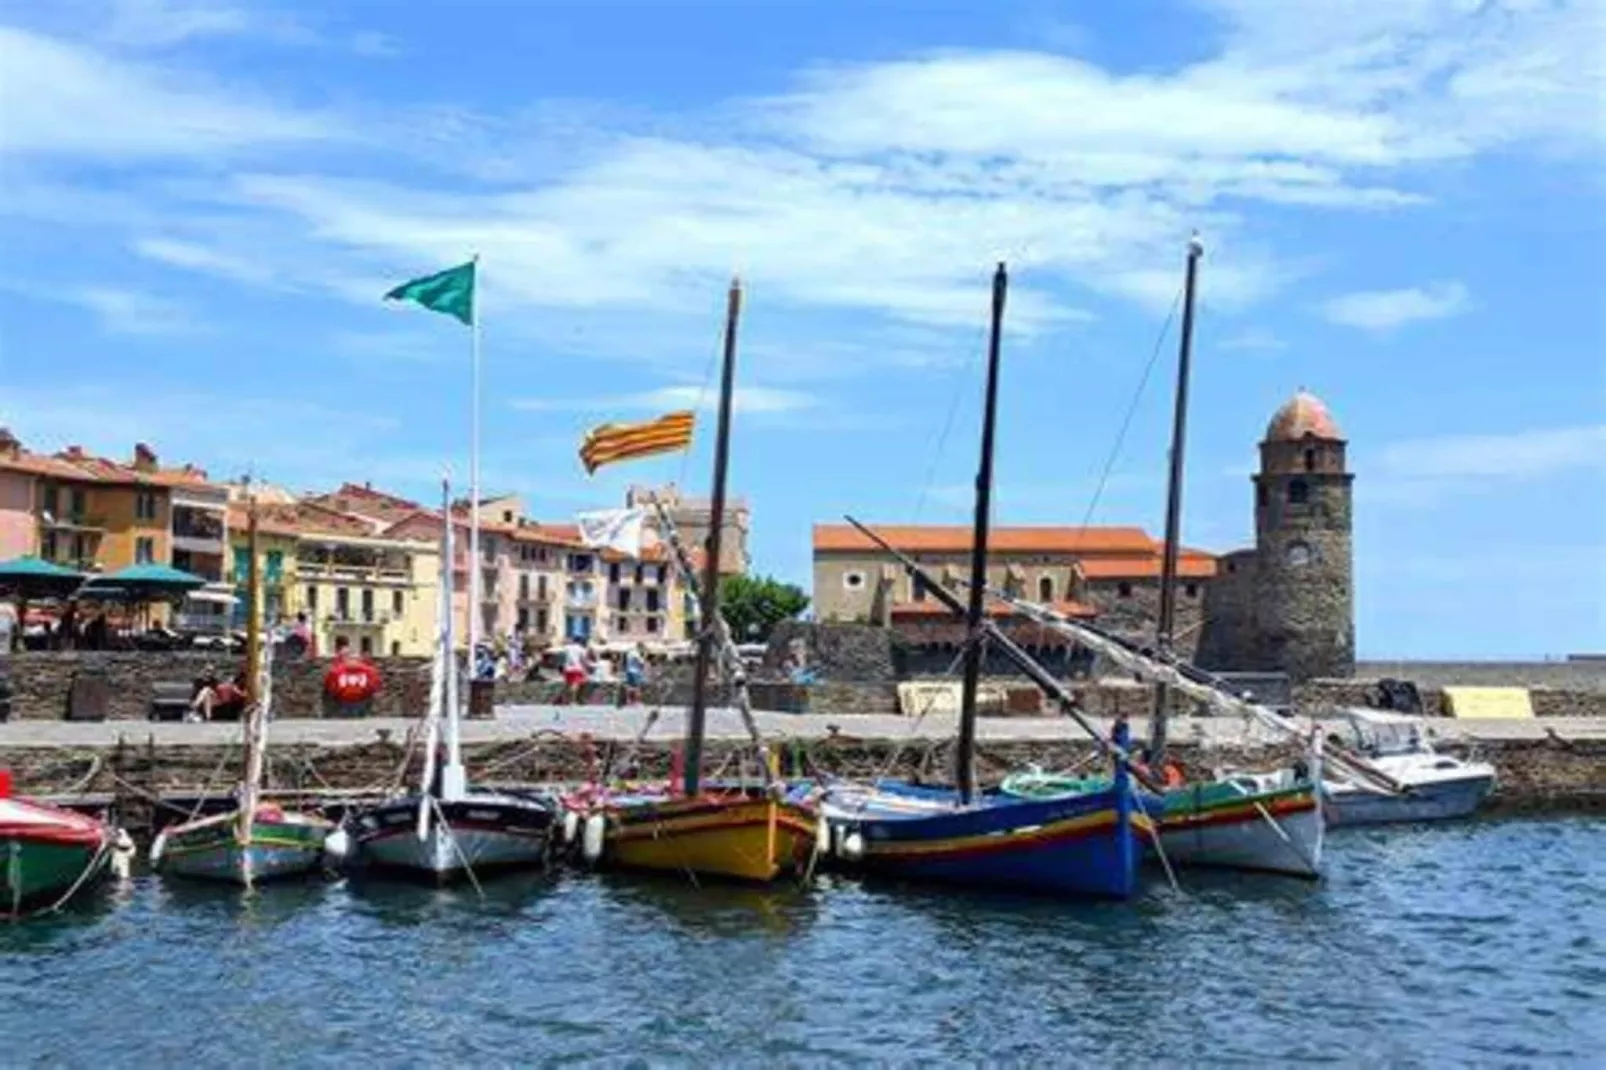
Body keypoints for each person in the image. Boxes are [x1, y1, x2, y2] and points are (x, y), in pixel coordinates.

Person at [559, 636, 587, 705]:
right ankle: (573, 701)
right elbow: (583, 660)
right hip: (577, 668)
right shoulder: (581, 649)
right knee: (575, 684)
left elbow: (561, 654)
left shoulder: (567, 647)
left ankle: (566, 700)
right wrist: (585, 669)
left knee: (568, 684)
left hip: (567, 668)